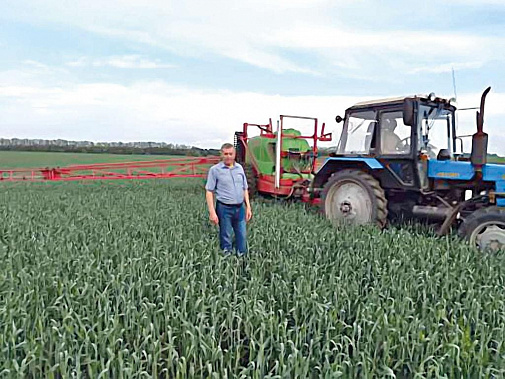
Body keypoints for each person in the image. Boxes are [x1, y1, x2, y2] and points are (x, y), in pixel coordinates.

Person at [205, 143, 252, 256]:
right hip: (224, 208)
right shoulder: (215, 170)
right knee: (225, 236)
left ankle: (241, 259)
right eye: (225, 154)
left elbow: (244, 188)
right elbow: (209, 191)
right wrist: (212, 212)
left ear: (234, 154)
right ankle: (227, 262)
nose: (228, 156)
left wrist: (248, 207)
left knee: (242, 235)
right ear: (221, 154)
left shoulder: (239, 168)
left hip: (239, 208)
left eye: (230, 154)